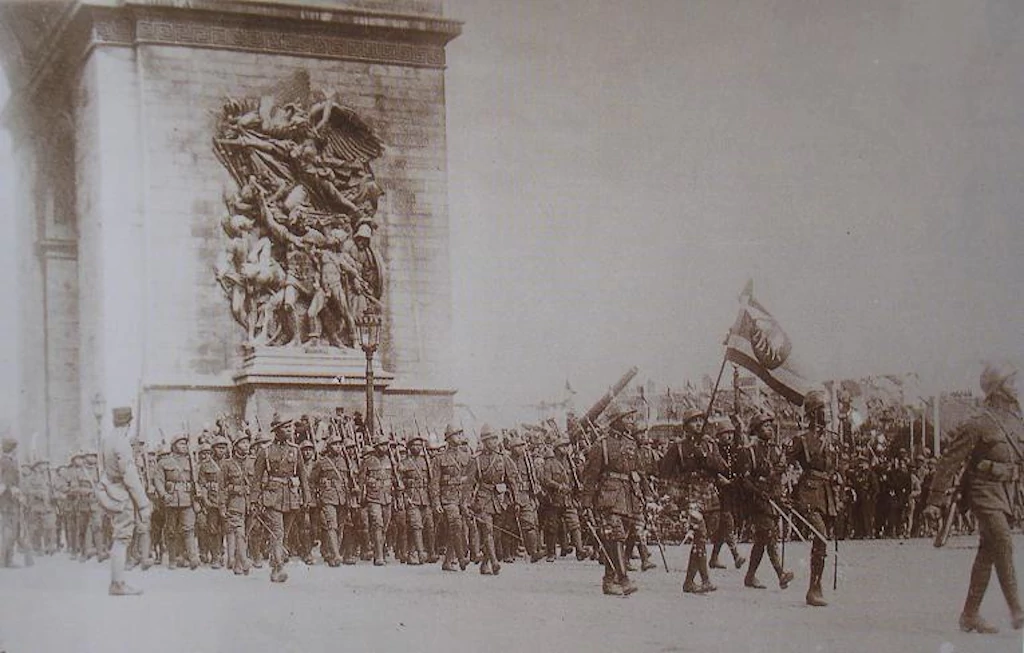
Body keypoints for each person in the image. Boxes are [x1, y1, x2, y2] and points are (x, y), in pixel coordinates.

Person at [924, 360, 1024, 634]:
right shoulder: (978, 423)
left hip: (1008, 493)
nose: (1017, 387)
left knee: (988, 551)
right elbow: (950, 460)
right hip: (982, 490)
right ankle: (1018, 610)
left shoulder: (1017, 421)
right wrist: (935, 500)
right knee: (1002, 542)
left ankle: (970, 615)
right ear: (998, 388)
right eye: (1011, 382)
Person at [659, 408, 728, 594]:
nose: (698, 424)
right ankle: (705, 579)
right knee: (700, 535)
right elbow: (664, 474)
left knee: (704, 537)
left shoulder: (710, 445)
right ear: (686, 426)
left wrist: (705, 456)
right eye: (694, 421)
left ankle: (689, 582)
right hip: (689, 496)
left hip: (710, 495)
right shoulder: (678, 448)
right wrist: (670, 499)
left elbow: (722, 468)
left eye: (700, 421)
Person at [582, 406, 643, 596]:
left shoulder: (631, 443)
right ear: (617, 420)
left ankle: (609, 580)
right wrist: (586, 503)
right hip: (608, 495)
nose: (632, 421)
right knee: (615, 535)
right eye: (628, 418)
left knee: (618, 538)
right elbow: (590, 477)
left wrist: (644, 494)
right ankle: (623, 579)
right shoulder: (602, 445)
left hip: (628, 496)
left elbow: (639, 472)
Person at [788, 389, 838, 607]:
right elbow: (782, 464)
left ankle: (816, 586)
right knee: (821, 536)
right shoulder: (801, 440)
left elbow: (836, 468)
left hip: (826, 494)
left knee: (822, 540)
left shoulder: (832, 439)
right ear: (813, 413)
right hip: (808, 493)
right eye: (823, 409)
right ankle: (814, 588)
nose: (827, 413)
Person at [96, 407, 152, 595]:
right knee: (121, 539)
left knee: (118, 538)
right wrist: (143, 503)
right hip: (122, 495)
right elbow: (130, 476)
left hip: (111, 493)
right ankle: (117, 584)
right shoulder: (122, 443)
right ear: (128, 423)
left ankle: (117, 581)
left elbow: (103, 469)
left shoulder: (106, 441)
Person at [738, 413, 793, 590]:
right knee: (769, 535)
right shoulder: (750, 452)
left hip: (774, 499)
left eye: (770, 425)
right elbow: (745, 480)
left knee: (762, 540)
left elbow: (778, 475)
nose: (769, 428)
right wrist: (759, 492)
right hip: (757, 501)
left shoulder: (777, 450)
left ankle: (750, 576)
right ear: (756, 430)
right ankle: (780, 573)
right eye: (764, 426)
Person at [252, 415, 309, 582]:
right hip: (273, 497)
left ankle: (274, 559)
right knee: (277, 532)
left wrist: (307, 497)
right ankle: (278, 569)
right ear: (276, 431)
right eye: (286, 428)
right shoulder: (266, 450)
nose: (290, 430)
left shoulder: (295, 449)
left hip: (291, 496)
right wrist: (254, 500)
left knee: (284, 534)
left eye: (290, 427)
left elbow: (303, 476)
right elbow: (256, 478)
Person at [461, 424, 519, 576]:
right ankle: (494, 562)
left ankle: (485, 563)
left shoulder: (503, 459)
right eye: (490, 440)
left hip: (500, 500)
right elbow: (469, 484)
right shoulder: (476, 461)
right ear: (484, 442)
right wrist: (465, 502)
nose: (494, 442)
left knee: (496, 533)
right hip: (483, 500)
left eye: (495, 439)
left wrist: (516, 500)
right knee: (488, 530)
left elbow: (512, 480)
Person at [155, 433, 200, 570]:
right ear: (174, 446)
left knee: (189, 528)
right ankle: (172, 559)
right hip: (171, 500)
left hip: (187, 499)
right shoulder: (164, 462)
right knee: (171, 530)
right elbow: (158, 480)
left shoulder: (191, 462)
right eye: (181, 444)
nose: (184, 446)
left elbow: (197, 481)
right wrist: (163, 495)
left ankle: (192, 557)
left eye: (185, 443)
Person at [432, 425, 469, 571]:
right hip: (447, 498)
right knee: (456, 525)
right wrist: (436, 502)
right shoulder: (440, 458)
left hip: (462, 498)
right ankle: (461, 559)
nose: (460, 437)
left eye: (461, 434)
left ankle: (447, 561)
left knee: (456, 530)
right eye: (456, 434)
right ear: (448, 438)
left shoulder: (465, 456)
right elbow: (434, 482)